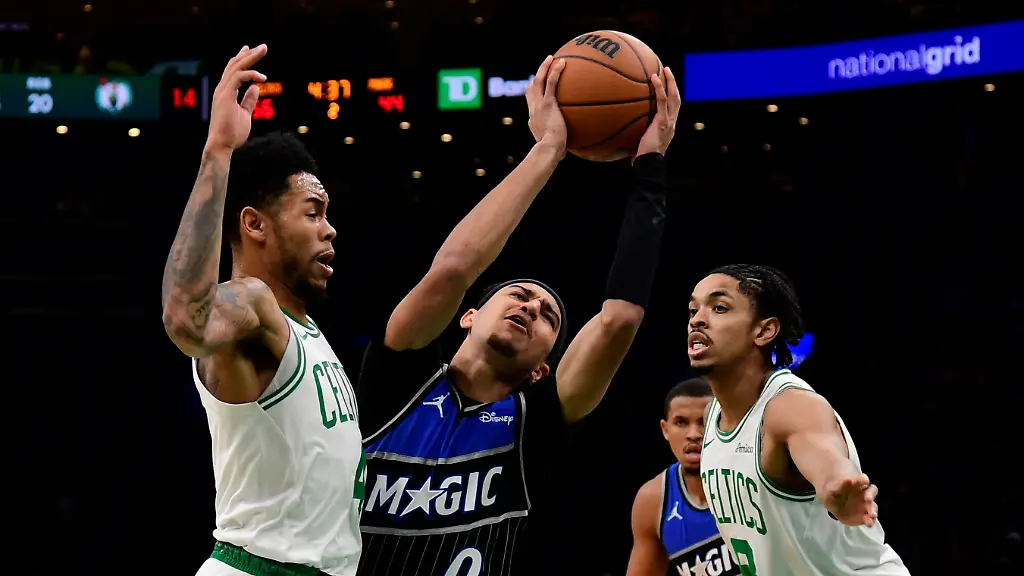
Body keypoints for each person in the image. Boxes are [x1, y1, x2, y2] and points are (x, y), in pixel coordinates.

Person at [354, 56, 680, 576]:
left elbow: (618, 319)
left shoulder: (536, 424)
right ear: (467, 317)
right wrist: (548, 148)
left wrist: (650, 165)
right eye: (519, 295)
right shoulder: (397, 382)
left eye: (549, 316)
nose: (531, 306)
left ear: (541, 369)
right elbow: (453, 268)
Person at [161, 44, 364, 576]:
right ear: (255, 225)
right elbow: (186, 317)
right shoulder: (253, 304)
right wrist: (218, 153)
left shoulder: (306, 328)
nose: (329, 228)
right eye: (312, 212)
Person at [689, 264, 909, 575]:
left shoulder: (789, 406)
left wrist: (836, 485)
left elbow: (827, 458)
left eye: (719, 307)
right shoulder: (713, 415)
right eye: (693, 309)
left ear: (764, 331)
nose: (697, 319)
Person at [626, 378, 741, 576]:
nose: (693, 434)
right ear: (665, 430)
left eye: (704, 422)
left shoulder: (754, 476)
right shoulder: (653, 500)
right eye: (681, 422)